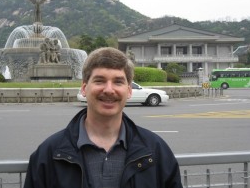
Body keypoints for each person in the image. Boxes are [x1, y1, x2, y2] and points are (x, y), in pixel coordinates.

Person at [24, 47, 183, 188]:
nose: (109, 90)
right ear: (84, 88)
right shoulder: (49, 154)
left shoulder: (156, 151)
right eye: (99, 81)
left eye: (118, 82)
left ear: (129, 91)